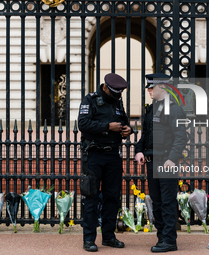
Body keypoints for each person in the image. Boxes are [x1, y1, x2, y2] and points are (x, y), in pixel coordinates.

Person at [78, 73, 132, 252]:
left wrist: (127, 129)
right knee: (92, 197)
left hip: (113, 156)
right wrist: (107, 127)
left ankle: (109, 236)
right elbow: (83, 124)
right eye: (115, 93)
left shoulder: (117, 102)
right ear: (106, 87)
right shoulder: (90, 100)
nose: (118, 97)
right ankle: (89, 239)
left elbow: (124, 120)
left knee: (112, 197)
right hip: (94, 154)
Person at [135, 73, 187, 253]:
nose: (148, 90)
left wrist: (172, 158)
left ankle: (170, 240)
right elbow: (145, 135)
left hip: (166, 162)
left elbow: (181, 137)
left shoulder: (174, 109)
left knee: (167, 202)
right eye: (148, 87)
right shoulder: (152, 109)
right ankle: (162, 237)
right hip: (152, 161)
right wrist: (139, 150)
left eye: (151, 87)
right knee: (156, 201)